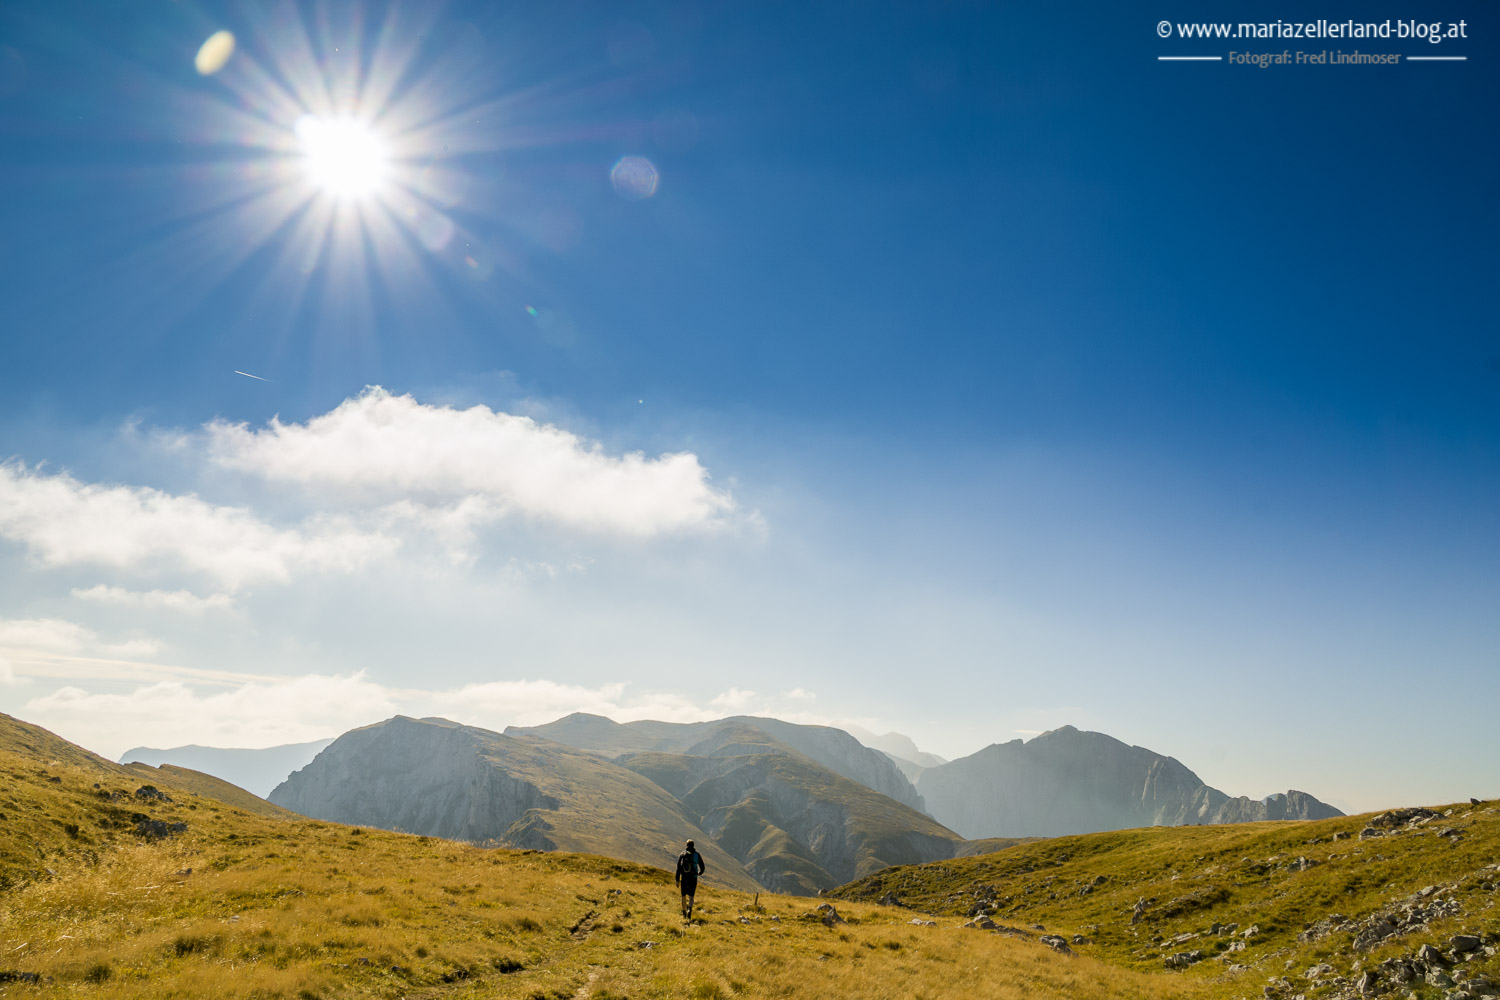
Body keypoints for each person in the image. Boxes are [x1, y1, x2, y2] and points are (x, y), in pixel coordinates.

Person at [674, 838, 706, 919]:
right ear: (693, 845)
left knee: (683, 896)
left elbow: (678, 868)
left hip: (684, 878)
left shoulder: (682, 854)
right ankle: (690, 910)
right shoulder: (697, 855)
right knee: (691, 896)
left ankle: (684, 911)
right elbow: (702, 867)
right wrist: (699, 873)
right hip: (693, 878)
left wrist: (677, 880)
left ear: (686, 845)